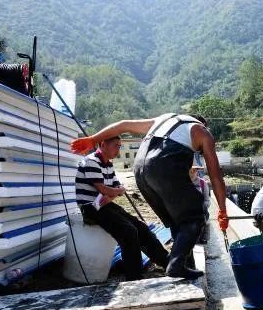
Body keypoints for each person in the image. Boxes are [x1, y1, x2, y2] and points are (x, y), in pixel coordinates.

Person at [71, 114, 229, 280]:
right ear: (203, 124)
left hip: (140, 169)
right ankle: (174, 265)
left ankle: (181, 265)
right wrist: (223, 211)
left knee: (177, 219)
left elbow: (124, 124)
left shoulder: (165, 119)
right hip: (161, 168)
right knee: (195, 215)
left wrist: (93, 139)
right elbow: (216, 176)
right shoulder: (202, 131)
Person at [75, 136, 170, 281]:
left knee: (141, 227)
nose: (118, 149)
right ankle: (134, 275)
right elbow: (104, 189)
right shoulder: (91, 162)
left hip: (105, 205)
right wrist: (113, 192)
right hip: (90, 207)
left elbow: (118, 188)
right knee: (128, 231)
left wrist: (113, 193)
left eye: (119, 146)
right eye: (115, 146)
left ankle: (166, 261)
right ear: (103, 144)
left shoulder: (108, 164)